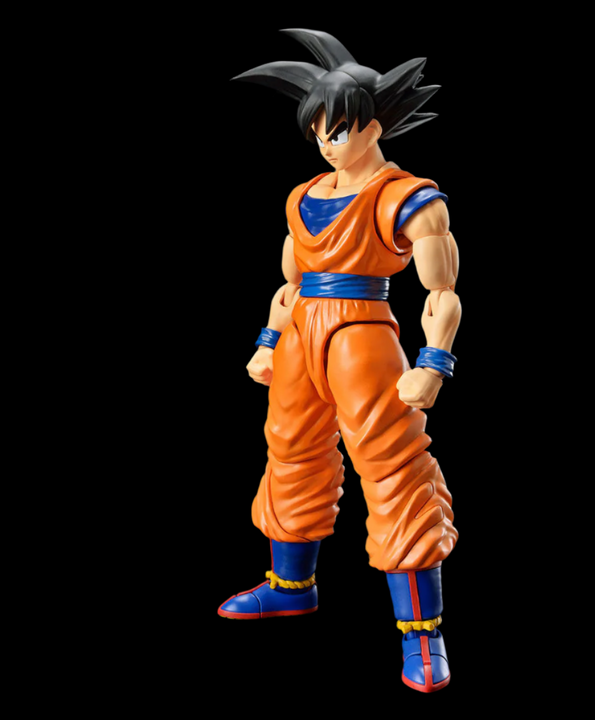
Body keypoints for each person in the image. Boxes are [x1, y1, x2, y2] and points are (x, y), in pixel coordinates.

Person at [217, 28, 461, 693]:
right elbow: (289, 282)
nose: (327, 142)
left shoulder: (407, 196)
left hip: (363, 336)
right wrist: (268, 343)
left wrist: (433, 363)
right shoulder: (303, 196)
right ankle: (290, 586)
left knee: (392, 466)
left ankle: (422, 633)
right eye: (318, 130)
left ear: (373, 127)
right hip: (302, 334)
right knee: (291, 448)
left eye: (340, 129)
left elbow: (442, 290)